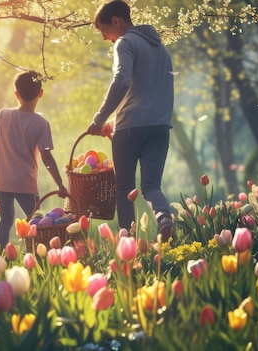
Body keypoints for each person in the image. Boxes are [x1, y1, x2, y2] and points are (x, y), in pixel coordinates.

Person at [87, 0, 174, 240]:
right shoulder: (160, 49)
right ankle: (164, 218)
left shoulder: (125, 42)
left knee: (124, 189)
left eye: (104, 30)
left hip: (130, 130)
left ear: (116, 21)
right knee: (151, 186)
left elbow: (122, 81)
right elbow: (148, 90)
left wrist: (99, 119)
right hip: (159, 127)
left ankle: (129, 244)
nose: (105, 37)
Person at [0, 70, 68, 249]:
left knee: (5, 220)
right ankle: (39, 252)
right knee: (36, 219)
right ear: (40, 94)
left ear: (16, 94)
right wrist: (60, 184)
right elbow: (47, 158)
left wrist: (0, 141)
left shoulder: (2, 116)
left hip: (2, 181)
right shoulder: (41, 124)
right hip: (25, 183)